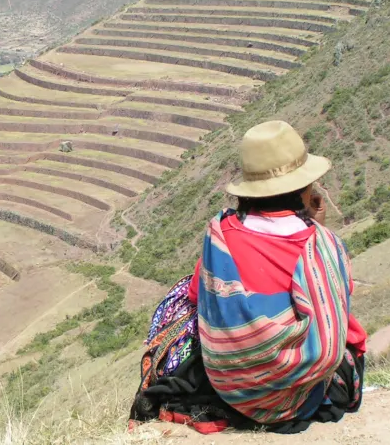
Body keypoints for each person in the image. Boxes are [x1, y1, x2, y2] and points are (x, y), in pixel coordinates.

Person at [130, 121, 367, 435]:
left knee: (184, 299)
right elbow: (337, 310)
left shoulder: (220, 235)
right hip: (300, 397)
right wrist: (318, 230)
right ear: (304, 188)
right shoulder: (322, 247)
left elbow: (196, 295)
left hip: (230, 389)